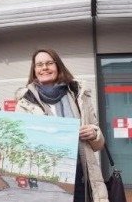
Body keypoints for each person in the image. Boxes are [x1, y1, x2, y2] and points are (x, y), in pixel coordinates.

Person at [15, 48, 108, 202]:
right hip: (46, 179)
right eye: (39, 65)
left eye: (49, 63)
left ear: (58, 66)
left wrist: (94, 134)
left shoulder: (78, 94)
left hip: (81, 176)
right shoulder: (24, 103)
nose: (44, 67)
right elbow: (20, 144)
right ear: (34, 70)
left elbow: (99, 143)